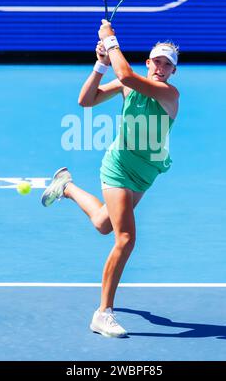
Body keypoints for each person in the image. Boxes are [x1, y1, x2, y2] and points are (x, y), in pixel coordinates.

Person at [41, 20, 180, 338]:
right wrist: (100, 64)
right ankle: (103, 313)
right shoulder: (128, 85)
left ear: (172, 72)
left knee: (104, 223)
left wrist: (110, 39)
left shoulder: (169, 94)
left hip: (146, 172)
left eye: (167, 64)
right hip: (118, 166)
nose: (161, 67)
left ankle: (67, 186)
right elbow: (86, 101)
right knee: (125, 239)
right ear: (149, 62)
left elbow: (127, 74)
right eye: (157, 61)